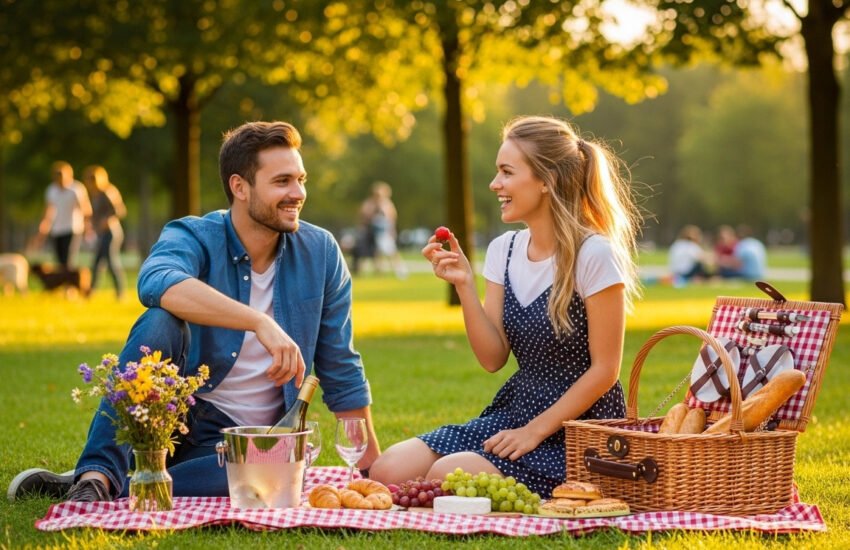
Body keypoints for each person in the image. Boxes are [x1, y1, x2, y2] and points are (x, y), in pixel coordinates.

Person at [8, 121, 381, 502]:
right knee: (159, 321)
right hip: (172, 414)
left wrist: (374, 472)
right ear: (240, 187)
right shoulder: (196, 235)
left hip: (247, 444)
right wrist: (258, 321)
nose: (298, 193)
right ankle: (99, 475)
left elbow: (340, 367)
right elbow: (156, 280)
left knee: (277, 480)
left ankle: (109, 484)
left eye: (301, 179)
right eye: (282, 181)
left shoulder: (320, 252)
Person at [369, 116, 641, 498]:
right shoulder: (505, 249)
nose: (495, 184)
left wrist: (535, 432)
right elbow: (492, 358)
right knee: (387, 470)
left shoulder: (593, 253)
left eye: (506, 172)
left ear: (546, 180)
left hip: (580, 427)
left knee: (447, 474)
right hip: (517, 410)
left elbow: (605, 371)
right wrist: (464, 285)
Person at [35, 161, 92, 271]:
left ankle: (69, 286)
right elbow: (48, 210)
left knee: (68, 259)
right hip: (56, 229)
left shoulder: (76, 189)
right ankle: (65, 283)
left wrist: (87, 227)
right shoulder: (51, 190)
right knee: (59, 259)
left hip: (72, 228)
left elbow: (86, 209)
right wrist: (44, 226)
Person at [83, 165, 127, 299]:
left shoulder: (108, 192)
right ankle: (90, 291)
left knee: (111, 262)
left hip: (112, 232)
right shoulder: (95, 195)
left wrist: (107, 220)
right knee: (97, 262)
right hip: (102, 233)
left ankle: (120, 292)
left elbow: (120, 210)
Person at [352, 181, 407, 278]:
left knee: (390, 251)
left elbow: (391, 219)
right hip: (371, 231)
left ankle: (399, 270)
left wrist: (392, 231)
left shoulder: (387, 204)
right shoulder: (369, 203)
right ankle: (378, 271)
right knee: (375, 252)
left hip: (383, 232)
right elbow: (363, 216)